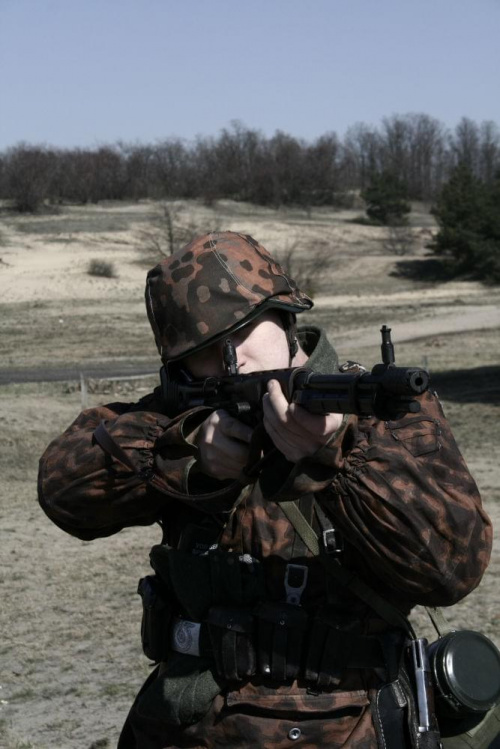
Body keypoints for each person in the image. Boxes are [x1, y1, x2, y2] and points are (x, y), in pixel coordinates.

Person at [38, 231, 492, 748]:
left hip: (350, 725)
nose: (235, 359)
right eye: (207, 350)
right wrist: (186, 456)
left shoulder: (378, 413)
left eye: (246, 329)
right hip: (186, 726)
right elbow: (62, 489)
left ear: (286, 317)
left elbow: (454, 567)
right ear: (180, 368)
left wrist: (338, 459)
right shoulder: (182, 419)